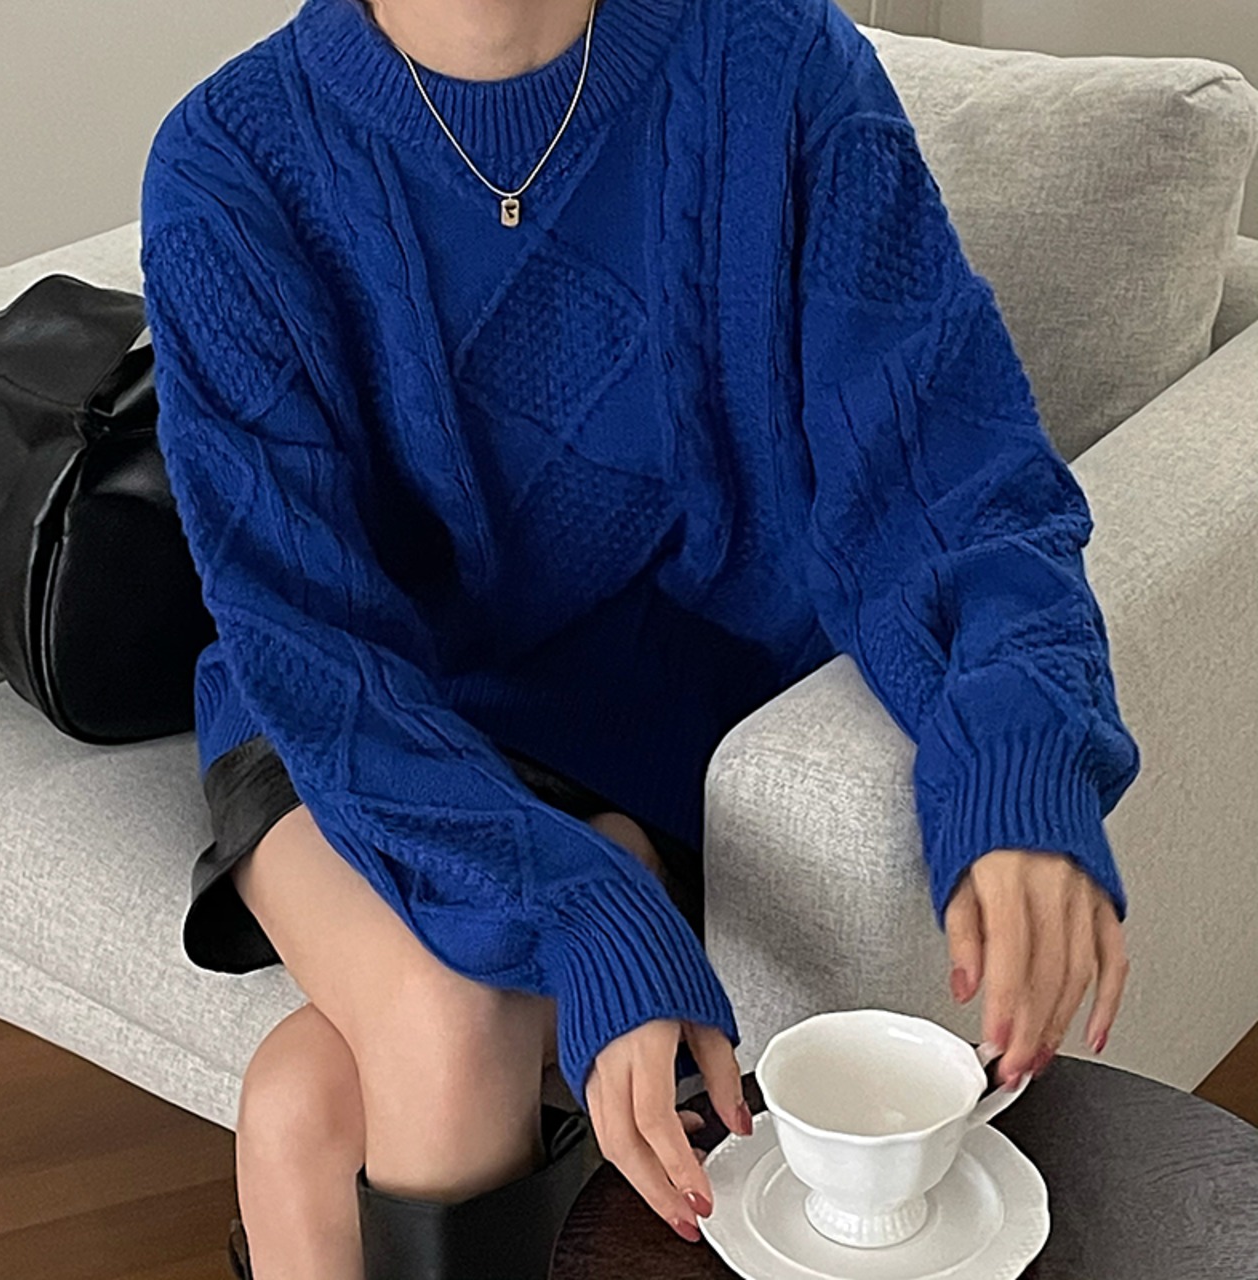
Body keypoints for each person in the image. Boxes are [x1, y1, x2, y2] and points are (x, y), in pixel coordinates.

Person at [138, 0, 1140, 1273]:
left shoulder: (776, 64)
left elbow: (950, 477)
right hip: (345, 715)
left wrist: (1015, 751)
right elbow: (305, 640)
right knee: (447, 1021)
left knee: (305, 1108)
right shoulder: (229, 159)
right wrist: (582, 896)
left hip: (646, 725)